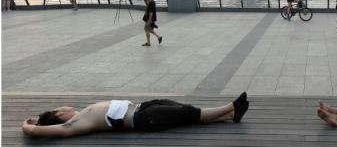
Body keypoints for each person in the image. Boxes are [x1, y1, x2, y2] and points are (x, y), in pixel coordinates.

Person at [21, 92, 250, 138]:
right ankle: (231, 106)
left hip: (143, 107)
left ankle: (231, 116)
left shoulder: (81, 114)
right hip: (142, 119)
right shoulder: (74, 123)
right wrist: (29, 126)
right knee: (187, 113)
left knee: (183, 109)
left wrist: (37, 118)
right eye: (59, 109)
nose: (64, 106)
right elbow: (35, 130)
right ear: (59, 114)